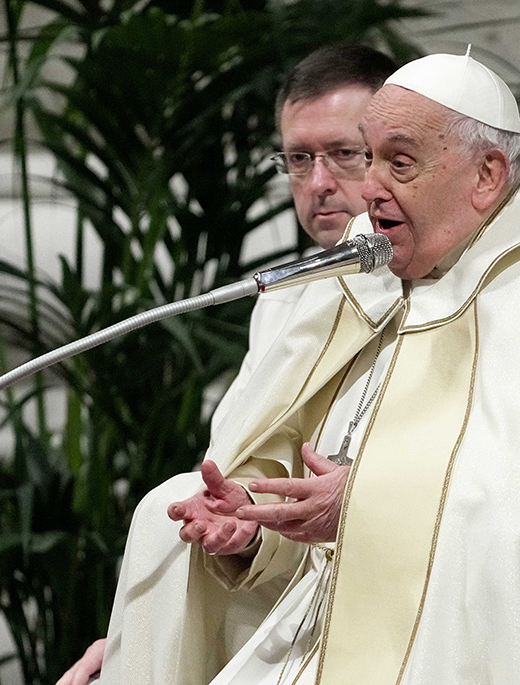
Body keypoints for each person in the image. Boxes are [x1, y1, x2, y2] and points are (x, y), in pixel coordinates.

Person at [75, 50, 520, 685]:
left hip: (457, 635)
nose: (369, 188)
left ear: (487, 175)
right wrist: (253, 521)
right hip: (317, 624)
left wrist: (372, 500)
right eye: (370, 157)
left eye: (398, 163)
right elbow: (304, 487)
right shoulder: (366, 281)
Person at [55, 43, 396, 685]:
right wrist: (138, 632)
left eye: (345, 155)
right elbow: (267, 477)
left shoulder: (444, 295)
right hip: (279, 591)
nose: (319, 183)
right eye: (299, 159)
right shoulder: (285, 298)